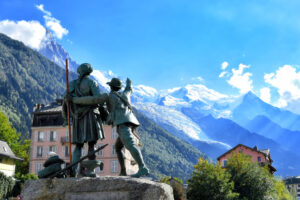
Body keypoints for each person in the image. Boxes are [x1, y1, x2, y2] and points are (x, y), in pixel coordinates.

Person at [71, 77, 149, 178]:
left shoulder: (109, 96)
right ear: (119, 88)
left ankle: (143, 167)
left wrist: (75, 99)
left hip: (122, 123)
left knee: (130, 144)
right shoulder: (125, 94)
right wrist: (129, 82)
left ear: (111, 87)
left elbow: (94, 99)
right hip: (130, 121)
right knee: (118, 147)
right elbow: (129, 89)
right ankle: (123, 171)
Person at [62, 63, 105, 177]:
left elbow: (65, 100)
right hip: (90, 115)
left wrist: (66, 117)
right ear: (89, 72)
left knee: (78, 146)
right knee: (91, 145)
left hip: (77, 117)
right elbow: (97, 99)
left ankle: (73, 171)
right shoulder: (92, 83)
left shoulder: (72, 84)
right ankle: (91, 171)